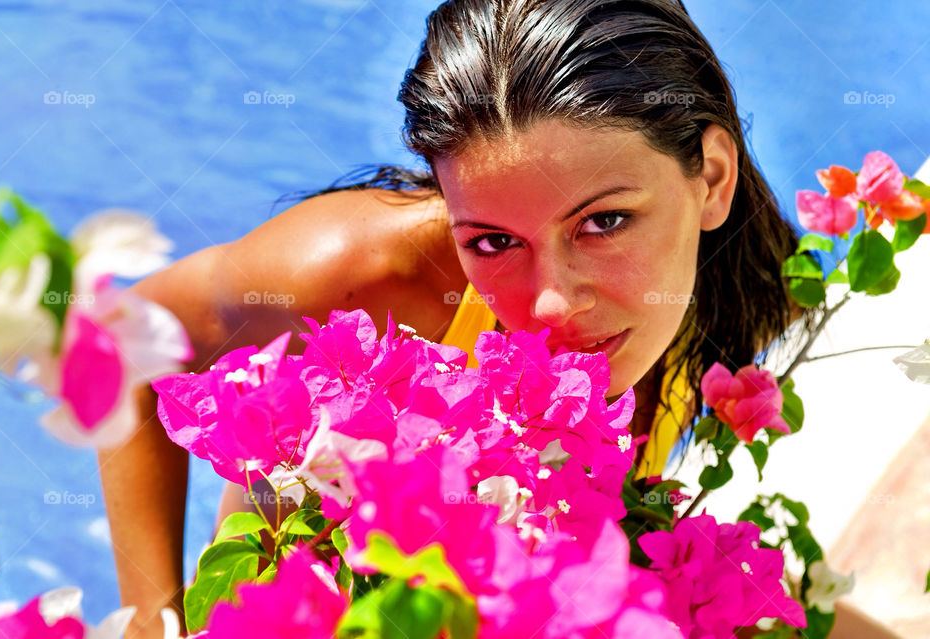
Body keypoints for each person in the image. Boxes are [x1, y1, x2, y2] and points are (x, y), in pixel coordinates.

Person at [97, 1, 863, 636]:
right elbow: (122, 333)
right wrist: (151, 616)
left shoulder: (744, 308)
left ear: (713, 180)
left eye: (605, 223)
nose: (554, 304)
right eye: (493, 241)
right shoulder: (370, 277)